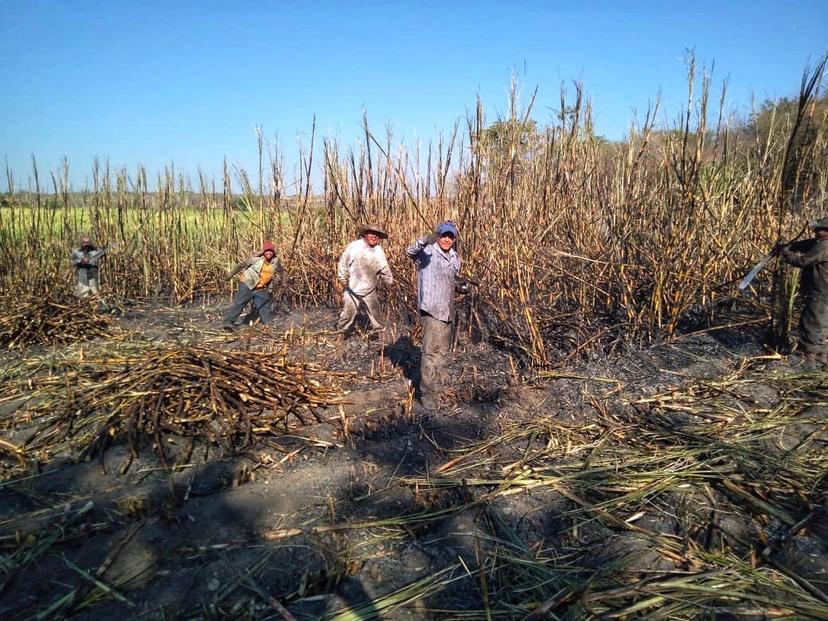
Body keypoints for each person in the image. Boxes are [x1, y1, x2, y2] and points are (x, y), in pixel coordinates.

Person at [406, 221, 461, 410]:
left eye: (451, 236)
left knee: (443, 352)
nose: (447, 239)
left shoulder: (455, 258)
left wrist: (460, 287)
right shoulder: (427, 252)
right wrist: (424, 240)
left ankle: (436, 386)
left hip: (447, 311)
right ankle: (426, 393)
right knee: (430, 353)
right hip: (431, 310)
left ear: (454, 239)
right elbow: (410, 252)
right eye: (444, 235)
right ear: (438, 236)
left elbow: (451, 280)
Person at [778, 217, 828, 366]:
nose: (816, 231)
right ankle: (821, 355)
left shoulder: (824, 246)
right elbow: (809, 244)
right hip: (824, 291)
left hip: (820, 290)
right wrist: (791, 246)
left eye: (820, 229)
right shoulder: (820, 244)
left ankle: (809, 358)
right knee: (823, 323)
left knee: (811, 322)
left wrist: (785, 253)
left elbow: (802, 262)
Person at [335, 223, 394, 336]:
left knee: (377, 316)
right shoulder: (354, 246)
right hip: (352, 288)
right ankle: (340, 334)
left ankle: (379, 338)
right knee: (347, 314)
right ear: (365, 234)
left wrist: (389, 282)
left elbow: (385, 269)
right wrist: (343, 279)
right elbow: (343, 263)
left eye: (377, 235)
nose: (374, 236)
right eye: (372, 233)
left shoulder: (378, 251)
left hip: (369, 289)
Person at [223, 241, 283, 330]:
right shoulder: (256, 260)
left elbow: (281, 271)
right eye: (267, 251)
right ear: (264, 252)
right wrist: (231, 274)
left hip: (260, 286)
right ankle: (228, 322)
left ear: (273, 252)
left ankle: (268, 324)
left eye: (271, 251)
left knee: (264, 303)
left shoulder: (275, 261)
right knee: (241, 302)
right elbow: (241, 265)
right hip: (247, 283)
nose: (269, 253)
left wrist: (283, 281)